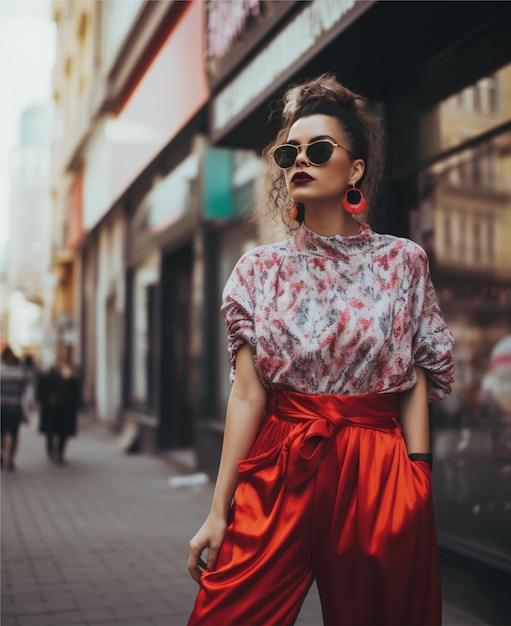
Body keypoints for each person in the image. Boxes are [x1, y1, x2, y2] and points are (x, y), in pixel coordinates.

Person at [187, 73, 455, 626]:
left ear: (355, 169)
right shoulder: (258, 271)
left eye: (318, 148)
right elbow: (245, 398)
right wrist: (218, 511)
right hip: (283, 455)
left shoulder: (402, 262)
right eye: (289, 151)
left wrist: (419, 476)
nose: (299, 160)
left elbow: (418, 373)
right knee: (228, 614)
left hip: (377, 465)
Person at [37, 345, 81, 464]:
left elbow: (77, 388)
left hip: (67, 405)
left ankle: (60, 452)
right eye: (64, 353)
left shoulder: (74, 369)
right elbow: (45, 385)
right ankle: (51, 450)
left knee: (64, 431)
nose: (66, 356)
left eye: (68, 354)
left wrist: (71, 378)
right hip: (53, 406)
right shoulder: (53, 369)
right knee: (51, 430)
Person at [1, 346, 27, 471]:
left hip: (2, 407)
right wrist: (26, 409)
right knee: (14, 434)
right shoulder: (20, 371)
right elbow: (24, 392)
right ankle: (10, 459)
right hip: (15, 406)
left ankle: (2, 456)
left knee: (2, 434)